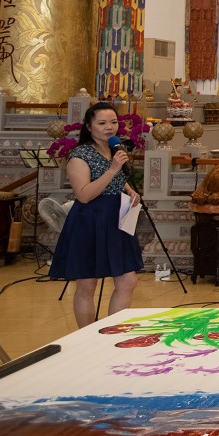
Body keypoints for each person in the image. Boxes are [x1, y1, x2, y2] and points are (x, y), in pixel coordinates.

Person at [49, 102, 143, 328]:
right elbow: (84, 195)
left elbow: (119, 179)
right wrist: (112, 169)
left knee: (128, 280)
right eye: (102, 123)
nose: (109, 127)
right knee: (87, 285)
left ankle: (113, 332)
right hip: (90, 220)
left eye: (113, 122)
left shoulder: (114, 149)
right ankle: (87, 336)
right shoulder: (79, 155)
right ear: (89, 127)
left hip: (116, 218)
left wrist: (130, 191)